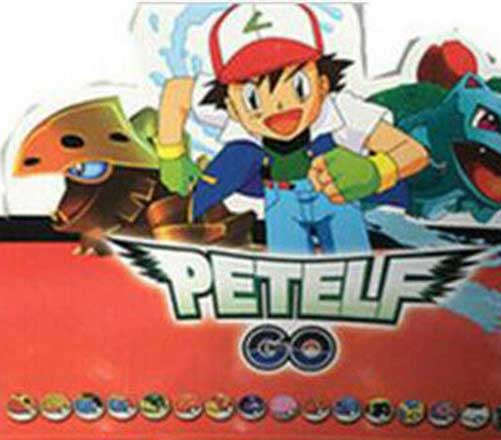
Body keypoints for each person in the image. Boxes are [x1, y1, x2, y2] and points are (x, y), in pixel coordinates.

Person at [155, 3, 428, 254]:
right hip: (281, 201)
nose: (279, 105)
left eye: (298, 86)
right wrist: (171, 153)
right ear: (232, 106)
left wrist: (376, 171)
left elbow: (413, 152)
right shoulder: (230, 111)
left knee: (354, 262)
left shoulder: (344, 111)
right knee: (288, 266)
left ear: (322, 84)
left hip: (335, 200)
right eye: (254, 97)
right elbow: (177, 92)